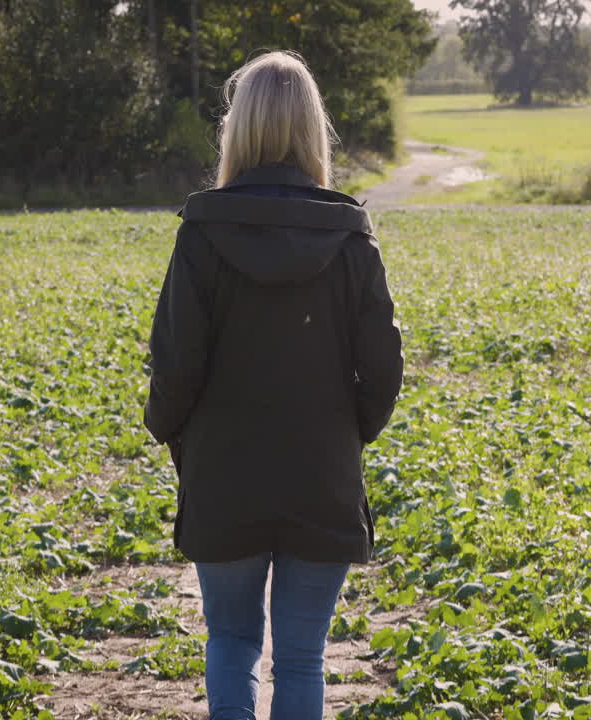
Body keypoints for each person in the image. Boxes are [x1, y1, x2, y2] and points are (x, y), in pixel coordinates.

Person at [142, 50, 404, 720]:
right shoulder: (352, 237)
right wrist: (345, 436)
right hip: (322, 476)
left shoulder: (201, 235)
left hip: (224, 478)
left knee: (231, 641)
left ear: (239, 129)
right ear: (314, 130)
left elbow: (174, 367)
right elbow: (383, 370)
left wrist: (173, 435)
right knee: (301, 658)